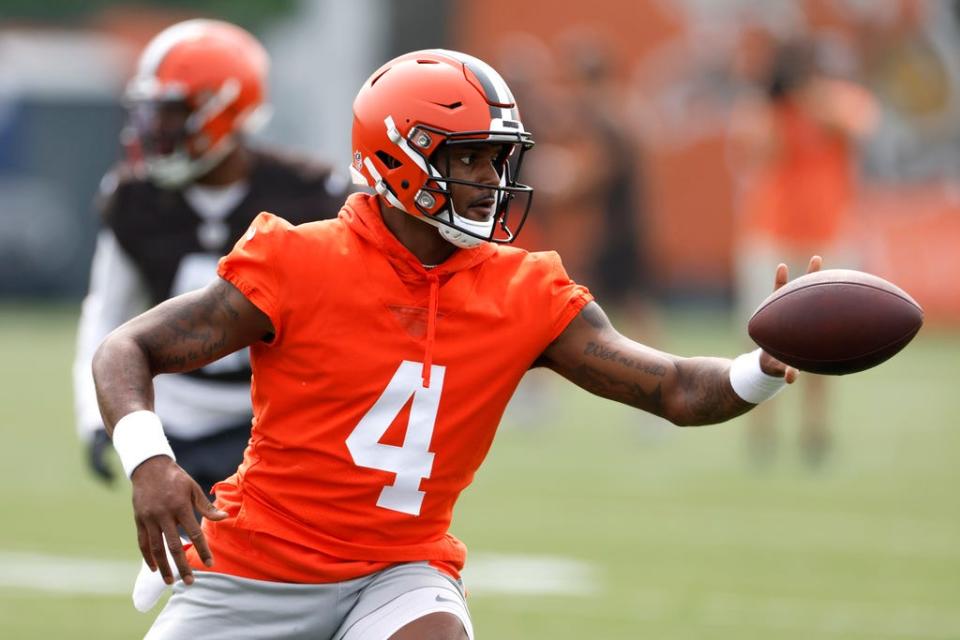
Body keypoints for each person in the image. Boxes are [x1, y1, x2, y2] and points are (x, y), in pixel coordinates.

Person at [92, 49, 817, 639]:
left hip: (399, 571)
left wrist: (763, 364)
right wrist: (150, 463)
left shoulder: (523, 290)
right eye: (469, 159)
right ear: (396, 158)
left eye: (498, 161)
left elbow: (675, 388)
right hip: (255, 567)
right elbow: (125, 348)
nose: (490, 182)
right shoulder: (299, 261)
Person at [73, 19, 349, 490]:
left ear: (225, 109)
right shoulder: (134, 197)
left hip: (278, 417)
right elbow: (106, 313)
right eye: (152, 111)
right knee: (186, 559)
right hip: (175, 420)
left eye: (172, 112)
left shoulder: (311, 195)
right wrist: (96, 416)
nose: (155, 127)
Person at [727, 38, 877, 467]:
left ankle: (815, 429)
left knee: (826, 340)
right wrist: (773, 102)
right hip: (770, 234)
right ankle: (762, 429)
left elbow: (856, 127)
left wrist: (807, 97)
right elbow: (757, 152)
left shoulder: (837, 99)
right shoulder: (764, 109)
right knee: (763, 337)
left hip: (825, 234)